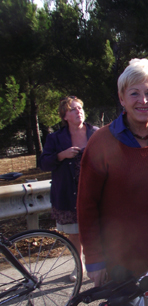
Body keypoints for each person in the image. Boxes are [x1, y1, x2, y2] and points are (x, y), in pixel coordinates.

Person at [77, 58, 148, 306]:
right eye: (134, 93)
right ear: (122, 98)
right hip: (120, 261)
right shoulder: (101, 142)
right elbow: (86, 206)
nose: (143, 100)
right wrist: (95, 260)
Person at [40, 96, 98, 281]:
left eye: (80, 108)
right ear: (64, 115)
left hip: (93, 192)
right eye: (73, 109)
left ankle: (96, 266)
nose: (78, 111)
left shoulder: (95, 133)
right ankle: (79, 266)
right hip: (68, 193)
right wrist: (61, 155)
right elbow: (43, 163)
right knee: (74, 232)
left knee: (95, 231)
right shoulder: (55, 138)